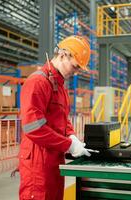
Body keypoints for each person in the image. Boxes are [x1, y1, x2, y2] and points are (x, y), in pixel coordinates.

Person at [19, 35, 91, 200]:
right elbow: (33, 127)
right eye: (75, 66)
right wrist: (69, 145)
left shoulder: (59, 86)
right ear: (63, 55)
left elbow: (63, 118)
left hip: (53, 159)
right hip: (38, 163)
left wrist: (71, 135)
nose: (76, 72)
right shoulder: (38, 82)